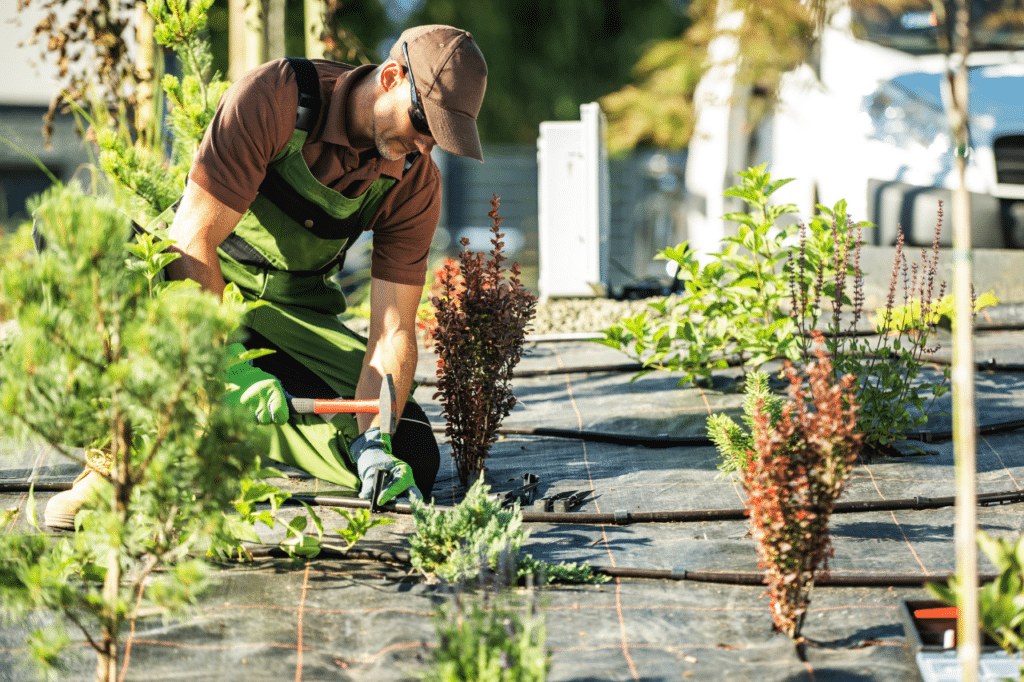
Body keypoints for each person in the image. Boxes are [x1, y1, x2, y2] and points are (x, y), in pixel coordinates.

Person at [43, 24, 487, 530]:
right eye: (422, 123)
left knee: (412, 452)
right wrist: (228, 365)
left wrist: (375, 438)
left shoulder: (413, 183)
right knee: (69, 230)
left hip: (292, 320)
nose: (424, 147)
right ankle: (120, 458)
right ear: (390, 76)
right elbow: (194, 240)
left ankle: (207, 432)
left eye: (438, 139)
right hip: (192, 291)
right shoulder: (276, 98)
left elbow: (393, 330)